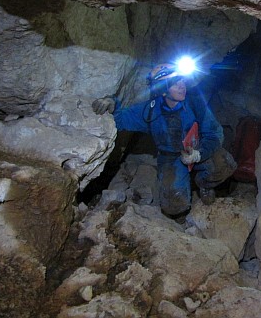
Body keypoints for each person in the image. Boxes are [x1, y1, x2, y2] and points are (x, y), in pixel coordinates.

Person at [92, 62, 237, 220]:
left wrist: (199, 154)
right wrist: (111, 103)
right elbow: (121, 120)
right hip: (171, 159)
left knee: (226, 164)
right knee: (174, 204)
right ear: (162, 90)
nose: (182, 85)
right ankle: (181, 192)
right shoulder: (150, 111)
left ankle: (204, 184)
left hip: (199, 147)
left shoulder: (195, 102)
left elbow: (215, 133)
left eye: (181, 80)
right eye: (175, 83)